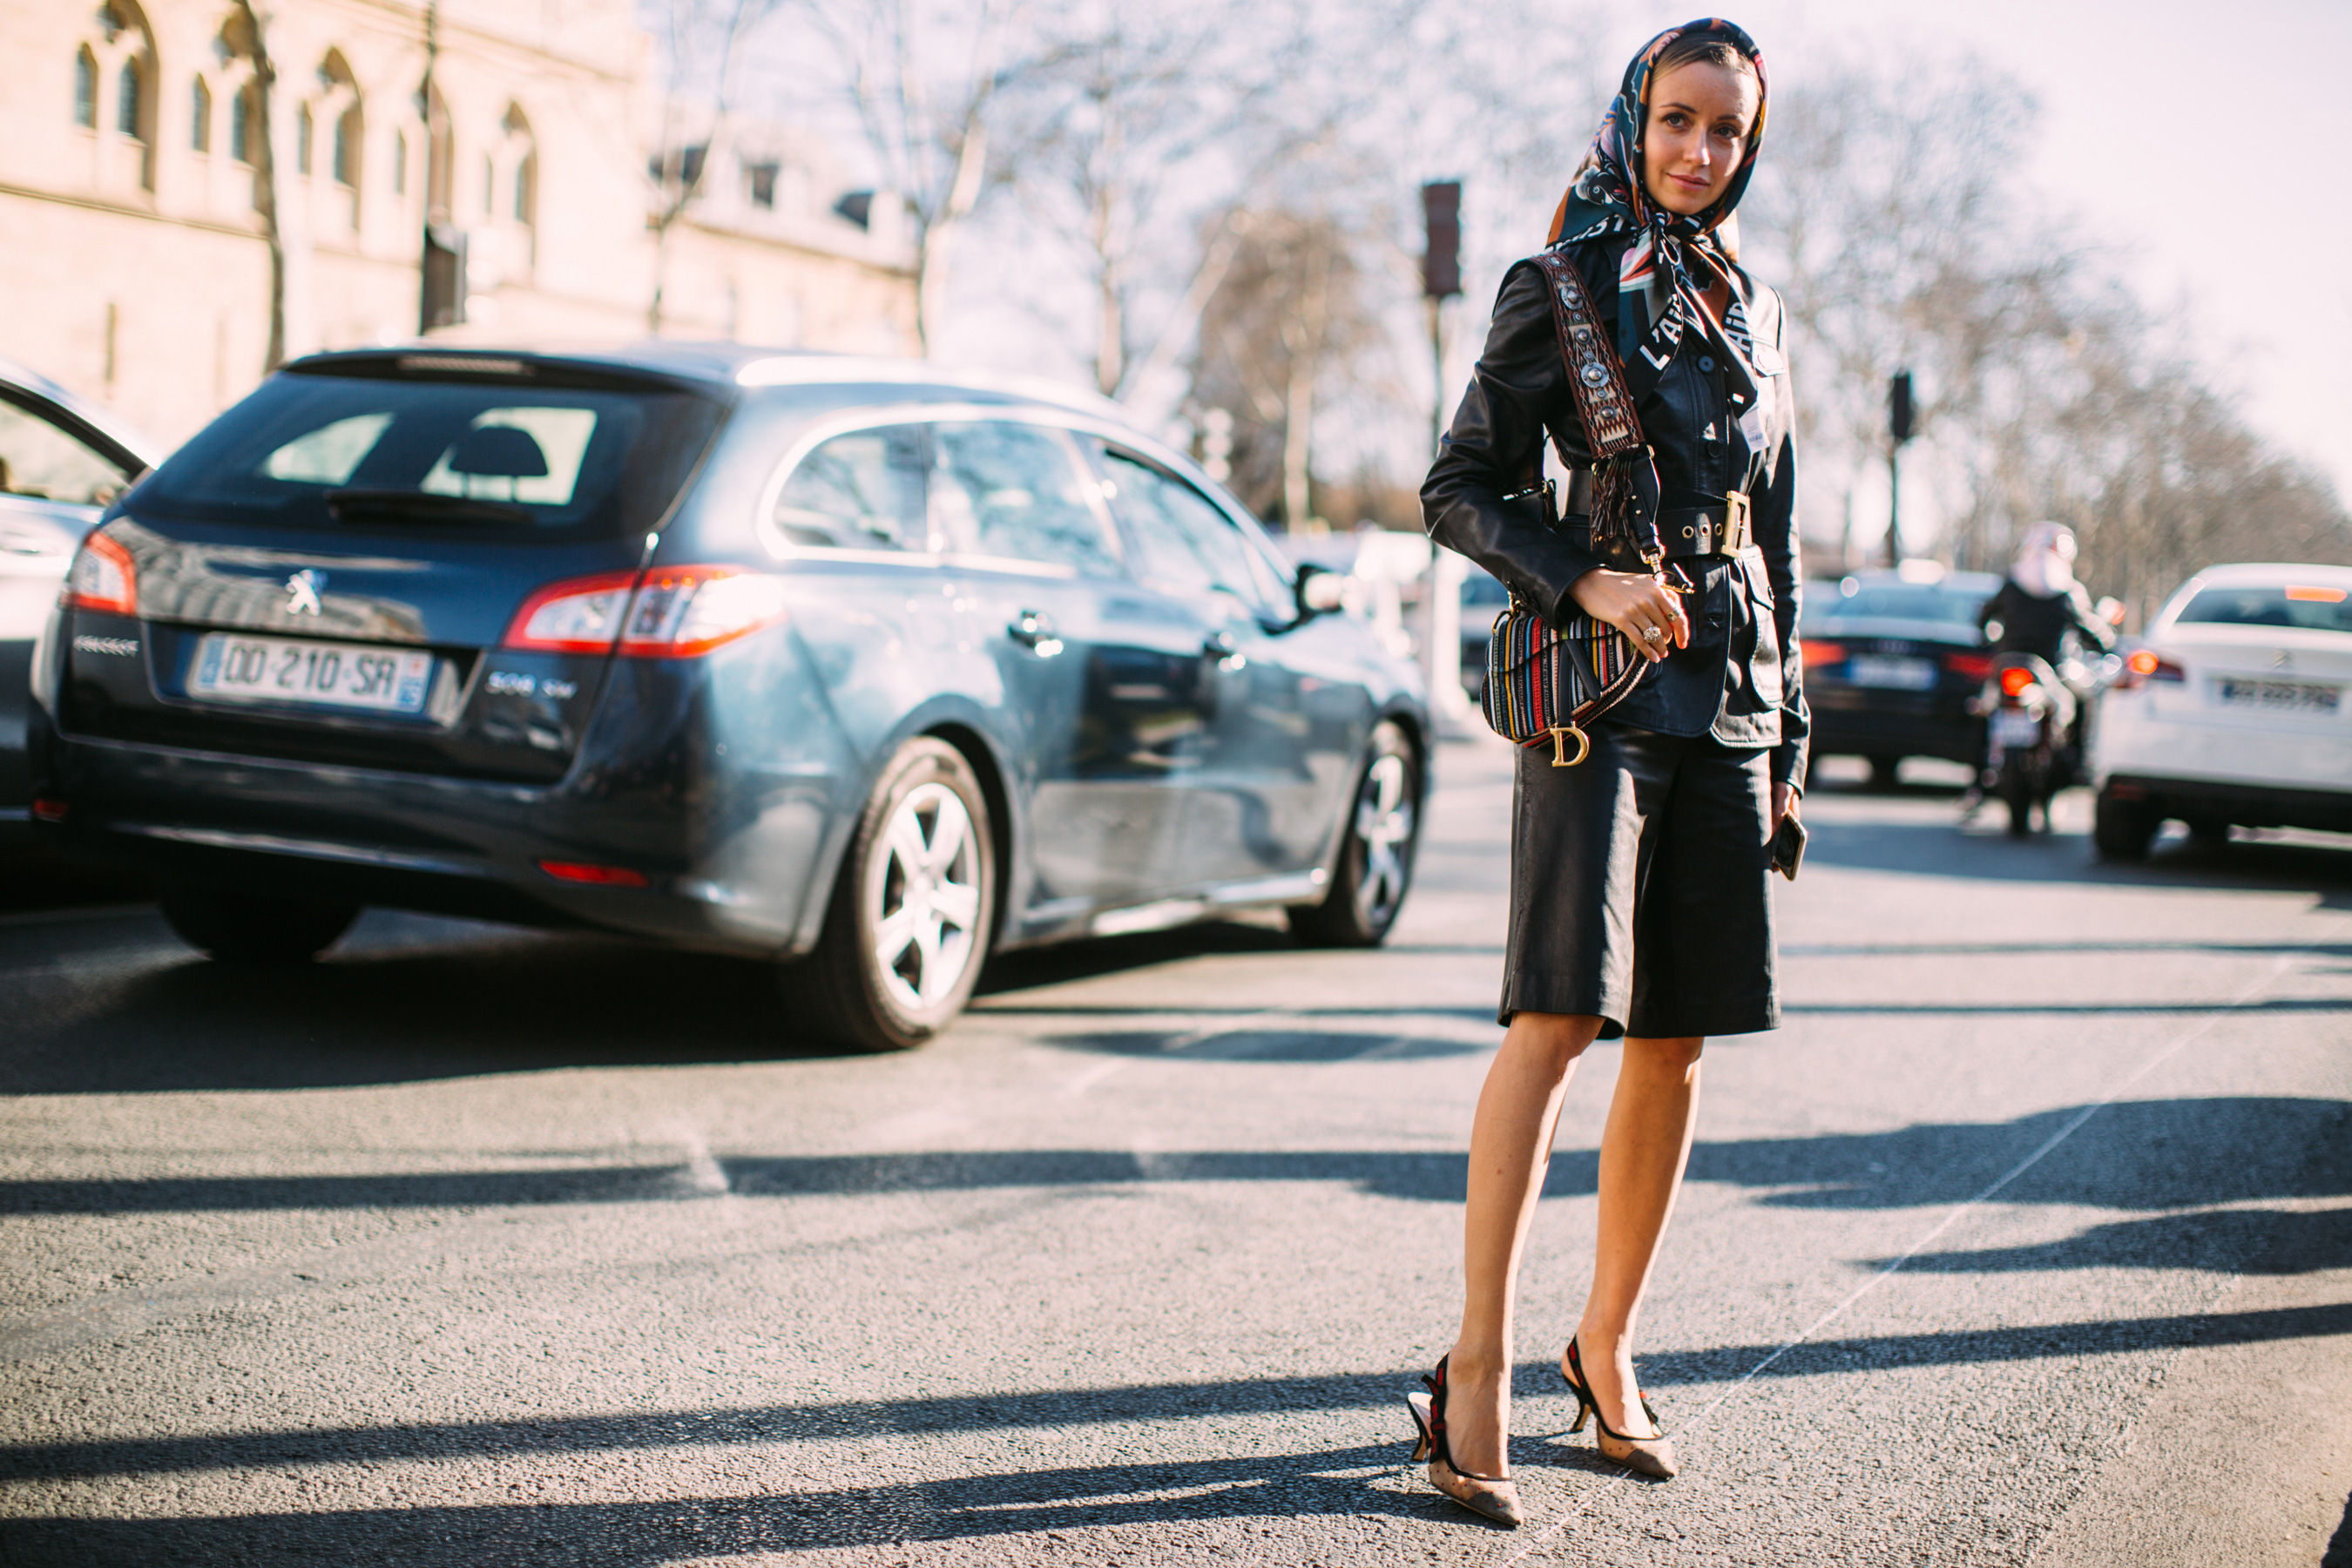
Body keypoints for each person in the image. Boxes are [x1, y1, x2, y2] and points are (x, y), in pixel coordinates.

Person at [1411, 18, 1804, 1527]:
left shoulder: (1761, 310)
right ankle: (1476, 1367)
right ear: (1636, 117)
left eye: (1729, 131)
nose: (1702, 151)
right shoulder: (1559, 287)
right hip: (1596, 692)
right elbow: (1460, 487)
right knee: (1559, 1017)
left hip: (1731, 706)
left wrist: (1790, 744)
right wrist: (1582, 579)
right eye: (1681, 118)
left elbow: (1775, 534)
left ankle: (1606, 1342)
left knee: (1680, 1037)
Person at [1980, 523, 2117, 667]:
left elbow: (1986, 616)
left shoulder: (2012, 583)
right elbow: (2089, 625)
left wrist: (1987, 640)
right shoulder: (2068, 589)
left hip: (2010, 661)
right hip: (2051, 666)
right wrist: (2106, 644)